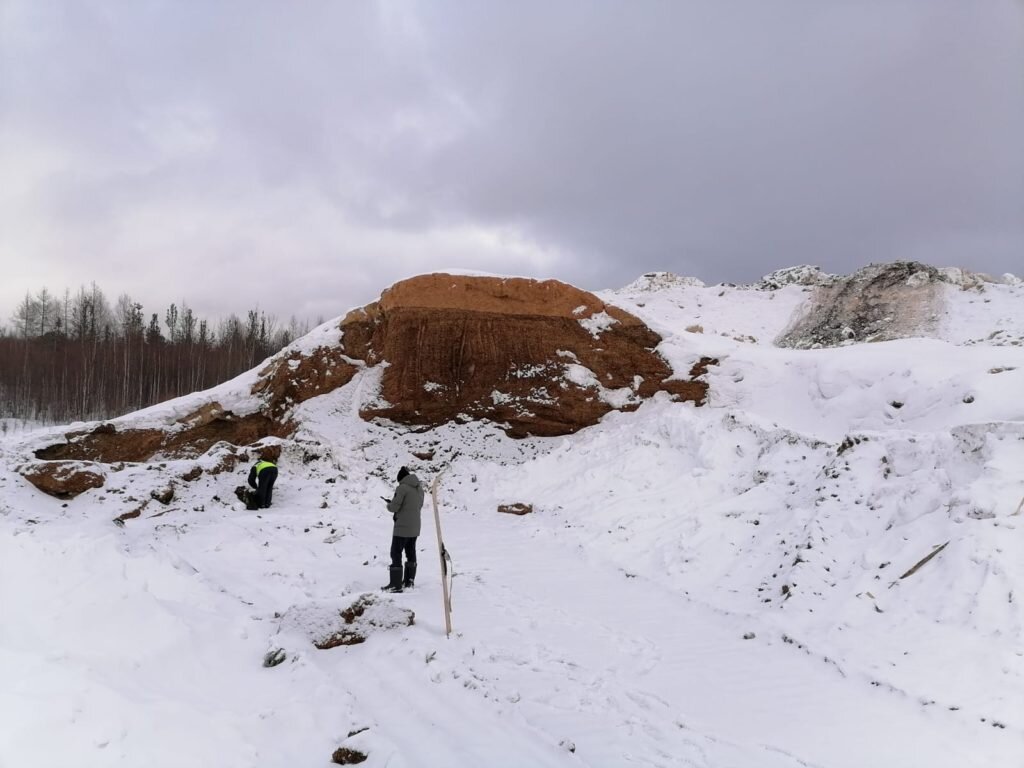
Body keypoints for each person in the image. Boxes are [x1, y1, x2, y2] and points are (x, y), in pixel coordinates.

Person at [381, 466, 424, 593]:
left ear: (401, 479)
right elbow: (416, 506)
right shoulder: (419, 489)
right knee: (411, 552)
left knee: (395, 552)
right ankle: (409, 581)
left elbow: (394, 507)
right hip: (415, 526)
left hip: (402, 527)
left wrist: (389, 504)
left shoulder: (402, 488)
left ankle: (395, 584)